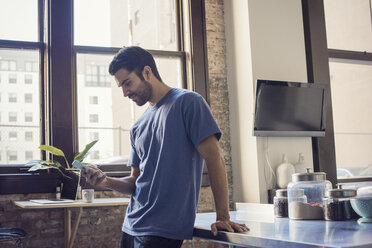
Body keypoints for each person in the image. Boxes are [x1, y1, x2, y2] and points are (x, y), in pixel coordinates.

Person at [81, 46, 249, 248]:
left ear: (147, 72)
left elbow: (215, 161)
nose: (125, 93)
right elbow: (135, 182)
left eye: (127, 83)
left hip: (161, 231)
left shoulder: (188, 103)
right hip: (130, 226)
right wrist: (105, 181)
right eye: (121, 87)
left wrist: (223, 215)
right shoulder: (137, 127)